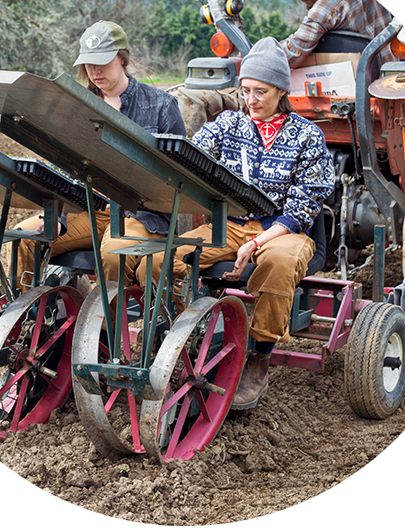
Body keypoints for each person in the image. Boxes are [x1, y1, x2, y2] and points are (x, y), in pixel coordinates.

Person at [137, 37, 334, 409]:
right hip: (229, 227)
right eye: (245, 90)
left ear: (280, 91)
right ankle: (179, 335)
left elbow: (305, 203)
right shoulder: (228, 125)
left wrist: (257, 243)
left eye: (261, 91)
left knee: (278, 265)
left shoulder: (308, 136)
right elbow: (191, 155)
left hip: (284, 230)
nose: (251, 99)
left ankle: (259, 355)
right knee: (165, 259)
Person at [10, 20, 186, 291]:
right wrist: (56, 218)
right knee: (24, 238)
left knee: (115, 254)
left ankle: (105, 332)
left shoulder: (161, 106)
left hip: (142, 216)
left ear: (122, 57)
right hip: (90, 209)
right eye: (88, 64)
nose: (94, 71)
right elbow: (62, 170)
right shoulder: (77, 107)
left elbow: (179, 177)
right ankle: (26, 325)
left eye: (102, 62)